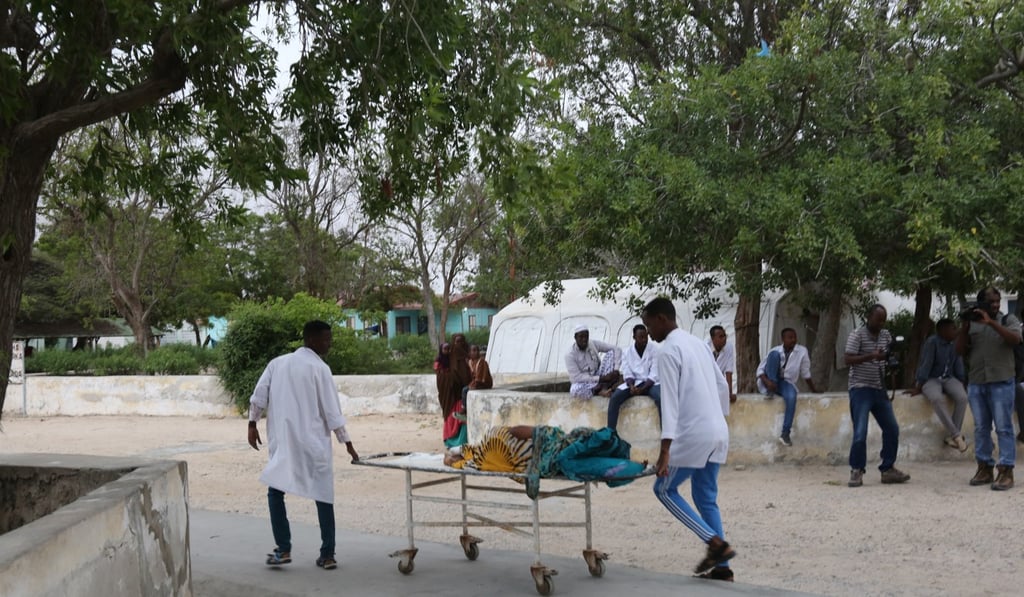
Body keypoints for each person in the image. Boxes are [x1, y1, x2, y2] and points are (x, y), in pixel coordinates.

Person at [247, 320, 360, 570]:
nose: (329, 343)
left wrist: (252, 424)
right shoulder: (320, 369)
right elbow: (332, 412)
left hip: (285, 442)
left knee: (275, 491)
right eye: (325, 339)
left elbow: (258, 396)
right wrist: (347, 443)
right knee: (323, 494)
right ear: (311, 340)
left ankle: (283, 548)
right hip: (313, 443)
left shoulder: (277, 364)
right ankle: (327, 553)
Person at [641, 297, 736, 582]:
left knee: (663, 490)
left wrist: (665, 450)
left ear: (661, 319)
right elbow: (721, 385)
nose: (648, 333)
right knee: (706, 497)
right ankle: (722, 569)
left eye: (648, 326)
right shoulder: (697, 343)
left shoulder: (668, 351)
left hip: (694, 435)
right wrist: (717, 420)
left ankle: (716, 544)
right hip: (717, 430)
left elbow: (669, 403)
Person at [956, 287, 1022, 490]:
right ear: (981, 303)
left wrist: (991, 323)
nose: (995, 304)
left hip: (1002, 381)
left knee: (1003, 427)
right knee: (981, 428)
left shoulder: (1007, 320)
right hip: (977, 382)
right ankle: (984, 467)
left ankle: (1006, 470)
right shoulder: (972, 324)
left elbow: (1015, 339)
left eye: (997, 301)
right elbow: (959, 351)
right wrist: (965, 327)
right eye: (991, 301)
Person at [844, 304, 910, 488]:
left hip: (879, 388)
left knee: (892, 429)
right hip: (860, 388)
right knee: (860, 432)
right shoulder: (857, 334)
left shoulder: (886, 335)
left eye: (883, 319)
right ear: (868, 317)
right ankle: (856, 470)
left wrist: (891, 359)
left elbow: (888, 354)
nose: (881, 323)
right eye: (878, 319)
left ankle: (887, 468)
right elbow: (847, 359)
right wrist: (871, 356)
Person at [904, 319, 968, 452]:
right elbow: (926, 365)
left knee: (962, 397)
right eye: (952, 328)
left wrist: (962, 382)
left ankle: (953, 437)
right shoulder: (932, 343)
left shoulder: (954, 343)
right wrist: (919, 386)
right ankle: (956, 435)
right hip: (931, 379)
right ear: (942, 331)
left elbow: (958, 363)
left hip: (948, 377)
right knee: (936, 399)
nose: (955, 330)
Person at [756, 328, 821, 446]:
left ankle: (785, 433)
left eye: (794, 337)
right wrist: (768, 382)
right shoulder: (775, 350)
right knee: (773, 355)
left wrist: (814, 390)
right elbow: (760, 370)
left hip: (785, 382)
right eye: (790, 337)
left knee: (792, 397)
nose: (793, 340)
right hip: (770, 380)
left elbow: (805, 373)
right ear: (783, 339)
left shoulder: (802, 351)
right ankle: (770, 389)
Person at [607, 324, 662, 430]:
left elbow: (654, 373)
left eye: (645, 336)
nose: (644, 340)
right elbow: (627, 372)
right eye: (640, 337)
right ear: (634, 338)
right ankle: (610, 432)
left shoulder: (654, 350)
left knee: (660, 398)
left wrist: (642, 389)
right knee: (615, 397)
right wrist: (631, 386)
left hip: (651, 383)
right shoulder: (627, 352)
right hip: (634, 383)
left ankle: (665, 433)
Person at [565, 324, 622, 398]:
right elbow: (576, 377)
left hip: (600, 377)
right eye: (581, 337)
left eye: (586, 336)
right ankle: (598, 391)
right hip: (586, 382)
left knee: (611, 353)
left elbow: (616, 349)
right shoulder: (570, 354)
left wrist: (616, 370)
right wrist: (601, 378)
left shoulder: (592, 343)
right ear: (575, 338)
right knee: (574, 390)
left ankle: (604, 388)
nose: (584, 339)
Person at [707, 326, 737, 404]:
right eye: (721, 336)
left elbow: (729, 371)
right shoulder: (704, 347)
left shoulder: (729, 347)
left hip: (718, 384)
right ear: (712, 338)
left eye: (725, 336)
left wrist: (729, 393)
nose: (724, 339)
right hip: (705, 383)